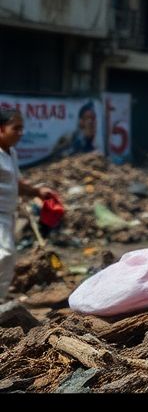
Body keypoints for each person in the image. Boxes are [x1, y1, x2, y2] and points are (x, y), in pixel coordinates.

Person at [0, 107, 59, 303]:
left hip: (7, 213)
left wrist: (37, 192)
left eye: (21, 128)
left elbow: (15, 182)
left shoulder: (11, 153)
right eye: (15, 128)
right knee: (4, 255)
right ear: (1, 129)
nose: (20, 133)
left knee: (7, 261)